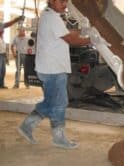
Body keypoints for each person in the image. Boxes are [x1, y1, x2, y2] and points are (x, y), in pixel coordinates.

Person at [18, 0, 90, 149]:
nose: (64, 4)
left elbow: (67, 33)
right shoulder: (52, 18)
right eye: (61, 1)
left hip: (50, 68)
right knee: (59, 104)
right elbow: (70, 39)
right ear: (51, 0)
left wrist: (82, 32)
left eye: (66, 1)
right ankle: (58, 138)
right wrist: (90, 40)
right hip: (53, 70)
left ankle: (27, 126)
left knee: (51, 103)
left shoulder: (50, 15)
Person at [0, 16, 24, 89]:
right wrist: (16, 19)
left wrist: (16, 19)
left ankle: (1, 84)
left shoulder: (1, 38)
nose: (3, 30)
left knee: (2, 71)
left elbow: (8, 24)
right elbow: (7, 24)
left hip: (2, 53)